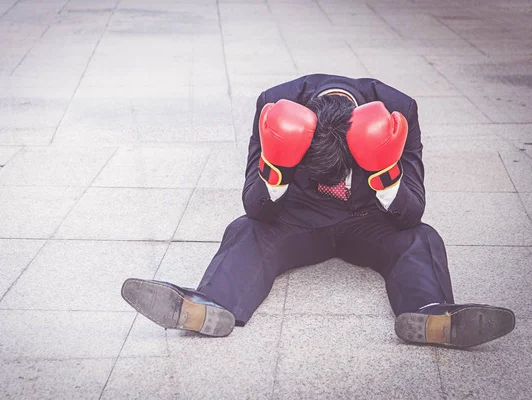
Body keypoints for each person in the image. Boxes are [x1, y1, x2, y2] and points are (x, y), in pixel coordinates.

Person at [121, 74, 515, 348]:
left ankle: (432, 315)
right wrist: (277, 169)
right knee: (246, 229)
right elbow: (254, 205)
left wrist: (385, 171)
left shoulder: (399, 109)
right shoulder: (274, 105)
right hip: (298, 219)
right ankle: (210, 305)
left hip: (368, 221)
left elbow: (412, 211)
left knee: (421, 237)